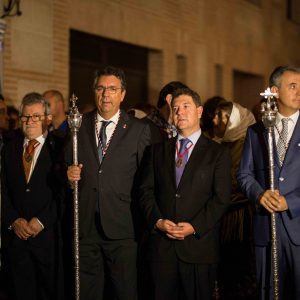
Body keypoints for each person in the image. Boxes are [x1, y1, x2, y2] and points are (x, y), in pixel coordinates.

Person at [66, 66, 153, 300]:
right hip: (84, 225)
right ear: (94, 92)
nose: (106, 94)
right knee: (87, 292)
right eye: (101, 88)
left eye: (112, 89)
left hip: (123, 227)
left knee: (124, 292)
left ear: (122, 94)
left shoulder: (139, 129)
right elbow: (60, 167)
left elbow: (147, 179)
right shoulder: (77, 125)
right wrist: (66, 174)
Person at [138, 87, 232, 300]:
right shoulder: (156, 151)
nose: (180, 112)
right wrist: (157, 220)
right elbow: (145, 192)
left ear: (199, 111)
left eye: (186, 106)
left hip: (199, 248)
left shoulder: (218, 153)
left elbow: (221, 198)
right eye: (175, 108)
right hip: (162, 249)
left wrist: (195, 227)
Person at [237, 65, 300, 299]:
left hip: (298, 226)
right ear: (275, 90)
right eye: (292, 86)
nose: (299, 92)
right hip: (267, 229)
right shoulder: (257, 131)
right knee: (269, 292)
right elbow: (244, 174)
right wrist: (259, 194)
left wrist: (291, 202)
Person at [1, 92, 64, 300]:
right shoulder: (8, 148)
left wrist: (41, 221)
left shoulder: (60, 147)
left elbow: (63, 192)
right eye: (25, 117)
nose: (30, 121)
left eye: (36, 116)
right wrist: (13, 220)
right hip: (16, 242)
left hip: (47, 241)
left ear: (47, 118)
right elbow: (2, 189)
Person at [202, 96, 257, 298]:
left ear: (234, 120)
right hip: (221, 216)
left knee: (239, 270)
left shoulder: (247, 145)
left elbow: (242, 182)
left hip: (240, 220)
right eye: (215, 115)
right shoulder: (221, 144)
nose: (215, 120)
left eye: (221, 116)